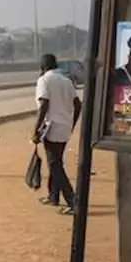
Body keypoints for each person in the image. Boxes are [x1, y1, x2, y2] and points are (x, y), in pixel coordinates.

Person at [32, 55, 80, 213]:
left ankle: (73, 201)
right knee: (56, 162)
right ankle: (53, 196)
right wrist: (72, 124)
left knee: (55, 165)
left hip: (51, 127)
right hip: (65, 127)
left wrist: (35, 130)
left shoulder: (44, 80)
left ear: (42, 67)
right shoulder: (66, 81)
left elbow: (44, 105)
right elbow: (78, 105)